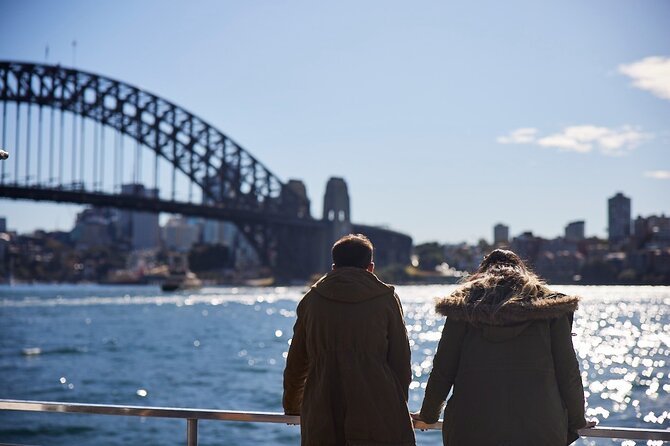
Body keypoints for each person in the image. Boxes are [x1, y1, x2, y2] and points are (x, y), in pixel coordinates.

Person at [413, 249, 594, 446]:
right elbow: (568, 372)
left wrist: (429, 415)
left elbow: (443, 370)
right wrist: (578, 420)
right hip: (540, 430)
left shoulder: (463, 307)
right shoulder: (551, 308)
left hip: (471, 429)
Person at [283, 233, 416, 446]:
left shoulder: (312, 300)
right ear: (370, 267)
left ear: (334, 267)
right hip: (377, 406)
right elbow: (400, 360)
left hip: (323, 406)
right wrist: (398, 406)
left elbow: (297, 362)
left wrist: (292, 406)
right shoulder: (386, 299)